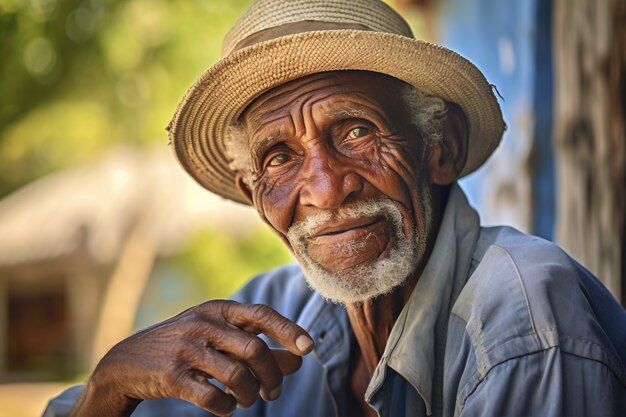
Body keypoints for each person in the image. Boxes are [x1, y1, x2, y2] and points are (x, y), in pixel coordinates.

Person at [44, 0, 626, 416]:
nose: (324, 188)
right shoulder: (268, 312)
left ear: (439, 148)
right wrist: (108, 390)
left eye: (354, 132)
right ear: (256, 199)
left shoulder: (524, 325)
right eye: (279, 158)